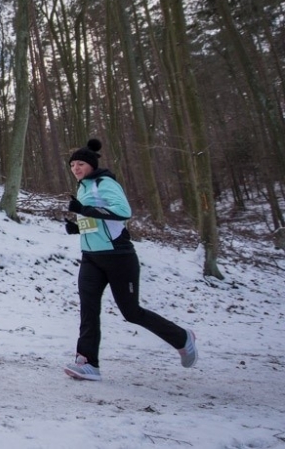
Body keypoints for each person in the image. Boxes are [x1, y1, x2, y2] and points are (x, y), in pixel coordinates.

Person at [62, 138, 197, 381]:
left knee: (131, 312)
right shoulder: (83, 187)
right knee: (88, 308)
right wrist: (78, 228)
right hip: (91, 257)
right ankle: (88, 362)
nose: (76, 169)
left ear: (91, 164)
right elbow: (99, 221)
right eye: (72, 166)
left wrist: (84, 211)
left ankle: (182, 338)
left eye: (80, 164)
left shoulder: (106, 183)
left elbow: (123, 212)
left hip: (118, 257)